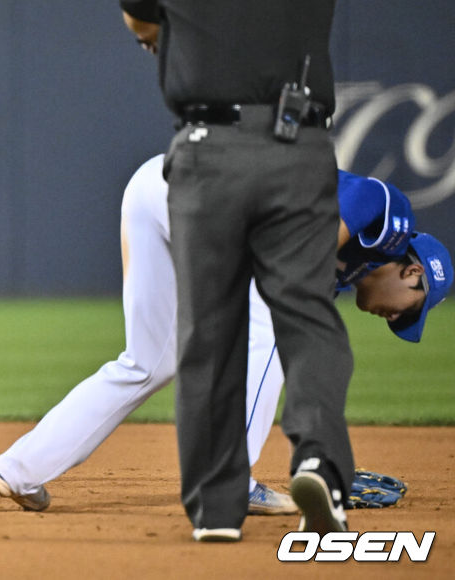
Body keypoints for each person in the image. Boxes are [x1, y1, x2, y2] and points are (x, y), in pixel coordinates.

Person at [0, 156, 452, 531]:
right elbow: (309, 244)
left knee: (148, 362)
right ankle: (232, 482)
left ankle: (19, 468)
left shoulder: (339, 275)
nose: (395, 318)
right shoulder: (388, 212)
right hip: (195, 193)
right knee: (272, 328)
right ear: (413, 272)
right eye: (410, 308)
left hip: (160, 190)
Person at [119, 0, 354, 541]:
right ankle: (320, 463)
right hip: (302, 143)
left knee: (210, 330)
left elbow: (139, 17)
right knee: (309, 318)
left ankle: (217, 511)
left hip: (211, 148)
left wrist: (177, 34)